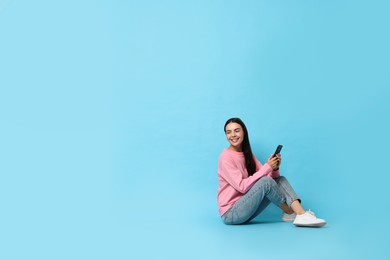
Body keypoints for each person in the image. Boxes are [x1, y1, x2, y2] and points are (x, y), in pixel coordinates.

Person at [217, 117, 326, 227]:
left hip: (246, 206)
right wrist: (267, 167)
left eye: (236, 130)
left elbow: (272, 179)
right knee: (265, 182)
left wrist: (274, 168)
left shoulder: (247, 154)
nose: (233, 135)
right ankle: (298, 214)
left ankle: (295, 214)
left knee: (279, 180)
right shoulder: (226, 158)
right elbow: (242, 187)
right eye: (228, 132)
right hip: (231, 214)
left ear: (244, 132)